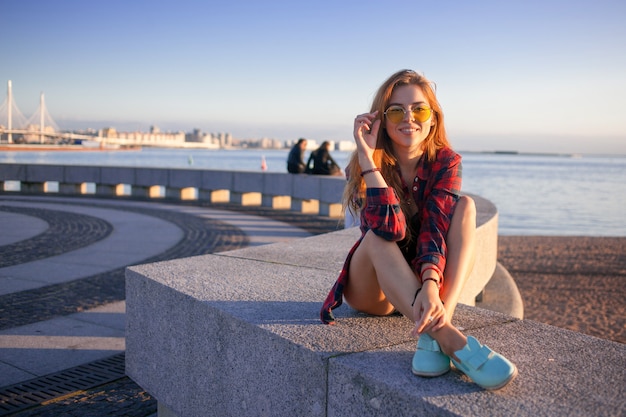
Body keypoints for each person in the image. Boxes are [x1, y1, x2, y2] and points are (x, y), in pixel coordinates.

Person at [320, 69, 517, 391]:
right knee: (376, 237)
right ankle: (450, 338)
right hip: (375, 291)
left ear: (433, 119)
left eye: (419, 109)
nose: (408, 117)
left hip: (425, 290)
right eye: (396, 110)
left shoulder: (446, 162)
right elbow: (389, 229)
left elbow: (436, 227)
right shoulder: (363, 166)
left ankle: (434, 328)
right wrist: (369, 161)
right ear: (381, 120)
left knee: (464, 206)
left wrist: (429, 284)